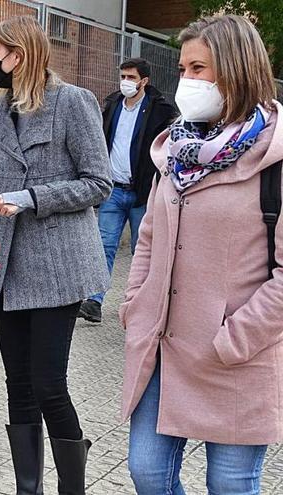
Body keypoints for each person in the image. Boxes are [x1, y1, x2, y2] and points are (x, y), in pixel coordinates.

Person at [120, 15, 283, 495]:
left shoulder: (274, 158)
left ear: (235, 70)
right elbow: (148, 236)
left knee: (230, 485)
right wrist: (135, 303)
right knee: (147, 472)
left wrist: (234, 337)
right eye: (184, 68)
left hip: (236, 355)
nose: (186, 81)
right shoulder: (176, 152)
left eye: (199, 69)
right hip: (162, 345)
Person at [0, 16, 111, 495]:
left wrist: (31, 199)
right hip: (9, 266)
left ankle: (71, 490)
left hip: (58, 265)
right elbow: (7, 182)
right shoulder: (3, 108)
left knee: (48, 383)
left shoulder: (73, 103)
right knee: (17, 384)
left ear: (18, 55)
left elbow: (97, 184)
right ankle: (29, 488)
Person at [78, 58, 176, 323]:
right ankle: (93, 301)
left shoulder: (160, 111)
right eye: (123, 76)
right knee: (103, 246)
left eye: (132, 77)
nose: (126, 82)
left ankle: (138, 304)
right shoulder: (111, 106)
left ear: (144, 81)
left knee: (141, 249)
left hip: (142, 193)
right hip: (113, 190)